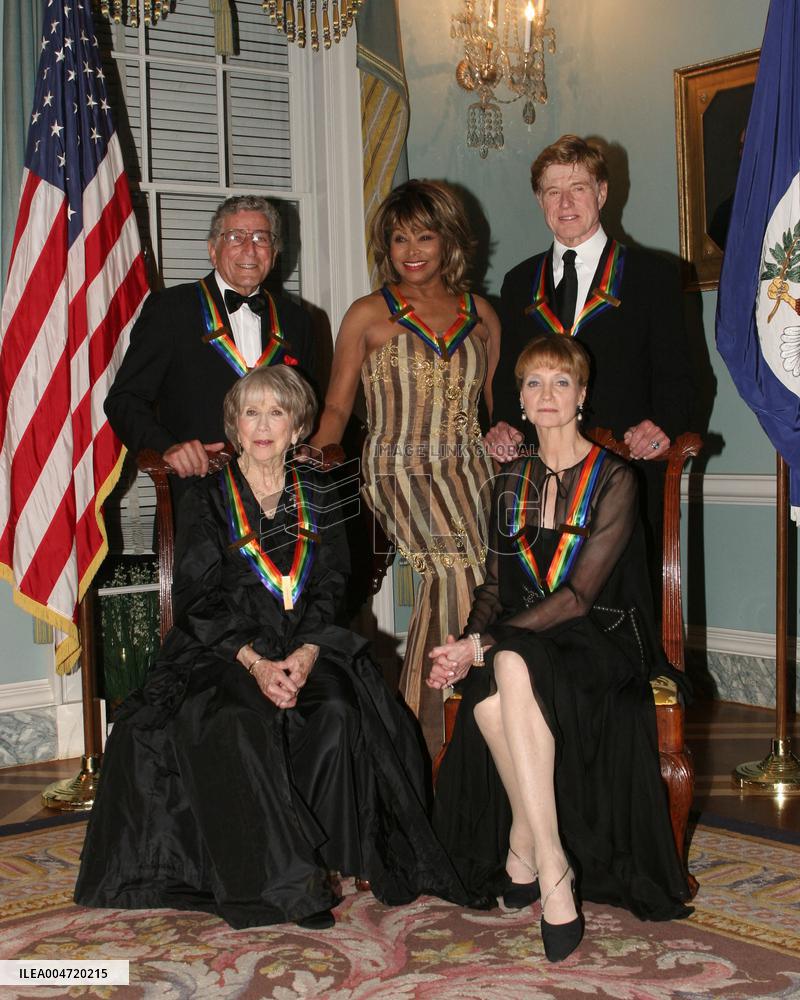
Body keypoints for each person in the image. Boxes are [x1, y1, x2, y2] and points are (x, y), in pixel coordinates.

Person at [75, 366, 479, 930]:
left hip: (309, 644)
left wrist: (308, 653)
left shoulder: (321, 493)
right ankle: (284, 883)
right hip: (223, 650)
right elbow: (197, 598)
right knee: (239, 717)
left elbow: (336, 583)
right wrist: (258, 663)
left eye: (277, 412)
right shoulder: (208, 496)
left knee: (338, 709)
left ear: (296, 428)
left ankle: (331, 858)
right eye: (250, 412)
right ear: (235, 428)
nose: (263, 424)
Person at [429, 336, 692, 963]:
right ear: (519, 399)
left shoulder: (616, 477)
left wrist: (480, 644)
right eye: (534, 384)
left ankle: (541, 862)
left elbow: (577, 598)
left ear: (582, 395)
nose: (547, 396)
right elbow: (495, 585)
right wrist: (467, 641)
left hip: (601, 637)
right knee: (493, 699)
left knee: (508, 667)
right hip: (523, 637)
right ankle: (544, 856)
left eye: (561, 383)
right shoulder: (508, 480)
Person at [309, 179, 500, 755]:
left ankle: (478, 731)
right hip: (397, 467)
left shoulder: (482, 314)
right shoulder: (369, 313)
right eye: (398, 238)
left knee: (493, 575)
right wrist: (311, 467)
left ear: (448, 241)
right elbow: (338, 406)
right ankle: (427, 737)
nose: (411, 249)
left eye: (424, 234)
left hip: (471, 468)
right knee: (453, 568)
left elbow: (494, 413)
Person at [487, 136, 692, 565]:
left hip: (625, 472)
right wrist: (502, 425)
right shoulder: (518, 281)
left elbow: (685, 375)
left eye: (577, 187)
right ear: (539, 199)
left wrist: (663, 425)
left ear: (601, 193)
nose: (565, 202)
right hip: (538, 478)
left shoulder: (651, 275)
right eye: (552, 191)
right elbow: (509, 376)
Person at [105, 194, 315, 511]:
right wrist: (167, 448)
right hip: (198, 500)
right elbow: (124, 399)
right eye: (235, 237)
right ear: (212, 250)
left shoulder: (297, 321)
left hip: (282, 503)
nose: (249, 248)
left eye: (261, 238)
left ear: (274, 253)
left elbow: (311, 408)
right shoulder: (171, 310)